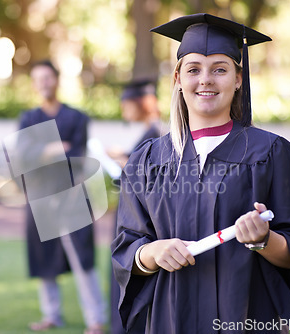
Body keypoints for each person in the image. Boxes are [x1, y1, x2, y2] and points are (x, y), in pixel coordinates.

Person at [111, 13, 290, 333]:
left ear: (238, 78)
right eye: (193, 70)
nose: (205, 79)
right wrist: (152, 252)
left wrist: (264, 240)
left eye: (219, 69)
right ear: (178, 79)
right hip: (170, 319)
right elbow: (126, 249)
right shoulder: (148, 161)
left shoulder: (271, 154)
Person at [19, 60, 106, 334]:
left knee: (82, 259)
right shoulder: (28, 119)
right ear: (34, 84)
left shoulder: (76, 118)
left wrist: (42, 150)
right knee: (44, 260)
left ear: (57, 79)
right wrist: (54, 149)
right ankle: (51, 314)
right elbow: (23, 158)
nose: (43, 83)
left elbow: (77, 158)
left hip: (72, 197)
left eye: (47, 77)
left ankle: (95, 319)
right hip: (40, 198)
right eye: (38, 78)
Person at [109, 79, 163, 334]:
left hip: (140, 216)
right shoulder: (150, 131)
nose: (123, 111)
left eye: (127, 105)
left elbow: (147, 174)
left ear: (142, 104)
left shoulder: (156, 133)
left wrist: (122, 161)